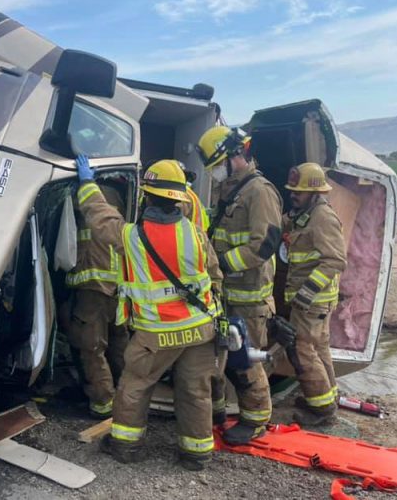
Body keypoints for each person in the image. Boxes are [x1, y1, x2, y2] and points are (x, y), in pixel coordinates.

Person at [75, 155, 223, 471]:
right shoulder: (196, 234)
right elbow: (214, 275)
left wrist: (87, 183)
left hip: (158, 334)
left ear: (146, 195)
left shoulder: (133, 237)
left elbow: (100, 218)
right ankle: (196, 453)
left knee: (135, 385)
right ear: (180, 199)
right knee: (195, 390)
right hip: (201, 329)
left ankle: (126, 447)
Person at [196, 126, 282, 445]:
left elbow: (264, 245)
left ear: (236, 155)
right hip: (225, 294)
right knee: (219, 358)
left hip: (249, 298)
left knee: (244, 361)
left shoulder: (260, 191)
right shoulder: (231, 189)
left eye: (218, 164)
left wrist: (220, 264)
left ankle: (255, 420)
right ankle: (216, 413)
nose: (215, 173)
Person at [281, 162, 347, 427]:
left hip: (312, 302)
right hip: (315, 304)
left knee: (303, 351)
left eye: (298, 191)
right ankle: (325, 400)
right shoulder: (304, 214)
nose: (293, 195)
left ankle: (322, 412)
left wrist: (307, 292)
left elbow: (335, 260)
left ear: (315, 192)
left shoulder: (322, 217)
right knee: (320, 351)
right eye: (291, 190)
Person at [65, 182, 129, 419]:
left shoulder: (84, 196)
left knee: (90, 346)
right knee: (118, 341)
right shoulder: (119, 193)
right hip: (118, 284)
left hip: (93, 285)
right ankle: (127, 398)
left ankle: (103, 403)